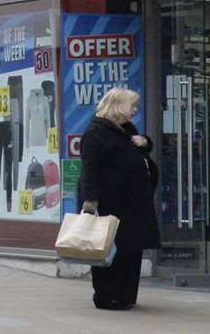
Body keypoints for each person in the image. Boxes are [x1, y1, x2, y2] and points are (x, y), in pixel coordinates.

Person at [79, 86, 160, 311]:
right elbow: (90, 170)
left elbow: (137, 148)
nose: (135, 110)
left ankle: (125, 295)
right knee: (107, 249)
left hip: (132, 203)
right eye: (132, 105)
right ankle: (107, 296)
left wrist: (145, 141)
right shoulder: (96, 132)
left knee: (131, 249)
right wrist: (90, 201)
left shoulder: (124, 128)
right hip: (110, 202)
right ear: (118, 106)